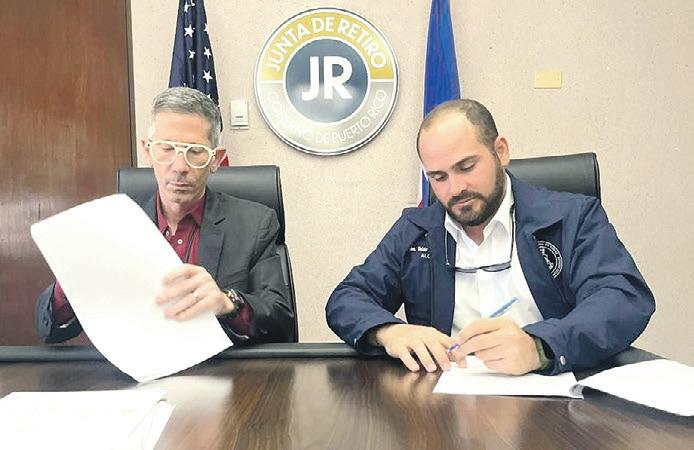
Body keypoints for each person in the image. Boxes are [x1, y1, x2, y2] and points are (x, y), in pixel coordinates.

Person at [326, 99, 654, 375]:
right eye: (438, 177)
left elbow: (623, 297)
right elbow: (347, 298)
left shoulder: (571, 217)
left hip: (553, 397)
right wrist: (389, 332)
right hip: (447, 404)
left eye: (466, 167)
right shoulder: (416, 231)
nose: (455, 189)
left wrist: (540, 346)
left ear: (501, 151)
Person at [36, 87, 294, 344]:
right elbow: (50, 329)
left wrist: (229, 302)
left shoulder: (254, 224)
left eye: (195, 151)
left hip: (220, 365)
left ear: (216, 160)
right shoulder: (113, 226)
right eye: (167, 148)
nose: (179, 166)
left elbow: (281, 322)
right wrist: (71, 280)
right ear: (147, 151)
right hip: (137, 363)